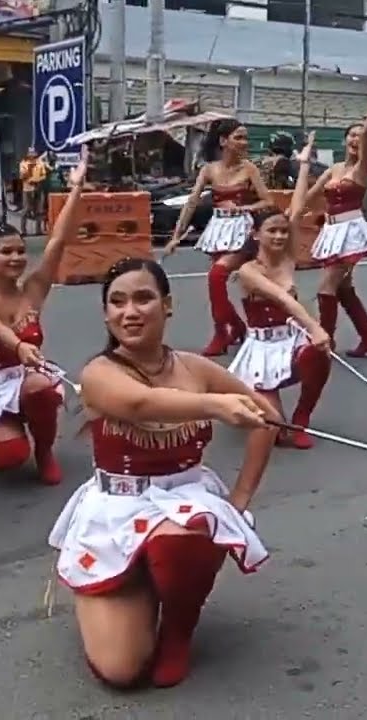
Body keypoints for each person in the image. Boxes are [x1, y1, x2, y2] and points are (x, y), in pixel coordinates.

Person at [48, 257, 279, 690]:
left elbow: (266, 417)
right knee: (121, 670)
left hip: (183, 503)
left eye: (143, 298)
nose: (129, 312)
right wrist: (213, 405)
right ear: (105, 313)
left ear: (167, 305)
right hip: (116, 511)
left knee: (186, 533)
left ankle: (178, 629)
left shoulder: (195, 368)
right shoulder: (99, 373)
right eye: (116, 302)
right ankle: (134, 580)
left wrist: (241, 498)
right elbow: (138, 404)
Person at [0, 152, 90, 485]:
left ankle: (44, 450)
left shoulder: (35, 289)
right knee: (7, 459)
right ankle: (7, 431)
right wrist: (19, 345)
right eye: (6, 252)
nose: (16, 258)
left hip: (30, 380)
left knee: (40, 387)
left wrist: (77, 188)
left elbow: (59, 240)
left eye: (21, 251)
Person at [229, 135, 333, 448]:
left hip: (290, 341)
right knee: (273, 428)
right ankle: (261, 409)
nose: (278, 235)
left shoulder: (287, 256)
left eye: (282, 231)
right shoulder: (248, 271)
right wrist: (315, 325)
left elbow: (299, 206)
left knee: (320, 356)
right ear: (255, 234)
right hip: (261, 350)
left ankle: (302, 417)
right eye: (271, 231)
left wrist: (302, 166)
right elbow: (282, 299)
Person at [164, 118, 276, 356]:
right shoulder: (209, 170)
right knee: (217, 285)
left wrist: (244, 209)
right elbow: (191, 202)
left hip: (243, 230)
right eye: (239, 137)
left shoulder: (249, 169)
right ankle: (235, 327)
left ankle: (221, 333)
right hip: (218, 229)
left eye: (245, 137)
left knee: (216, 276)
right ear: (224, 141)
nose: (244, 142)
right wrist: (176, 236)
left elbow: (268, 200)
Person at [304, 79, 367, 359]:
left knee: (326, 287)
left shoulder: (362, 168)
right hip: (331, 231)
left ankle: (324, 342)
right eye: (350, 135)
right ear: (343, 141)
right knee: (343, 288)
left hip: (351, 231)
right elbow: (308, 195)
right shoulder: (334, 169)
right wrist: (287, 218)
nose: (355, 138)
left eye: (358, 135)